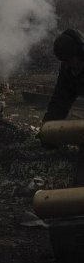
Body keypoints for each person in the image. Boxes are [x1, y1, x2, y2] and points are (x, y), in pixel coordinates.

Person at [43, 28, 84, 186]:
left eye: (71, 60)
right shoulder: (68, 69)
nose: (70, 65)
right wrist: (49, 128)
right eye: (65, 62)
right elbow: (60, 100)